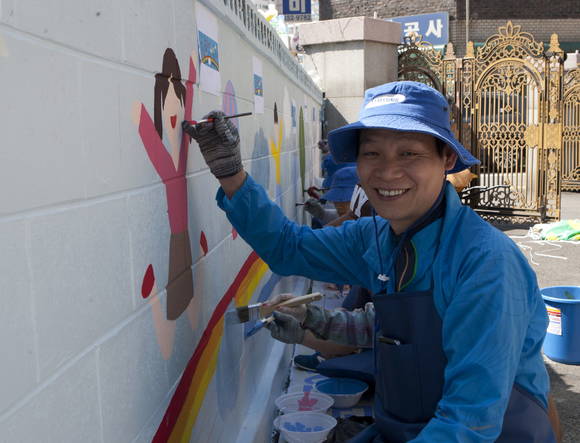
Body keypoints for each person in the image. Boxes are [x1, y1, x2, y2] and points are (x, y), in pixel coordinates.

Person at [182, 81, 556, 442]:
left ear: (447, 159)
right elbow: (287, 248)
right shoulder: (376, 237)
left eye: (409, 153)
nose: (387, 171)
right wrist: (230, 173)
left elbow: (469, 423)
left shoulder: (484, 264)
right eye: (372, 153)